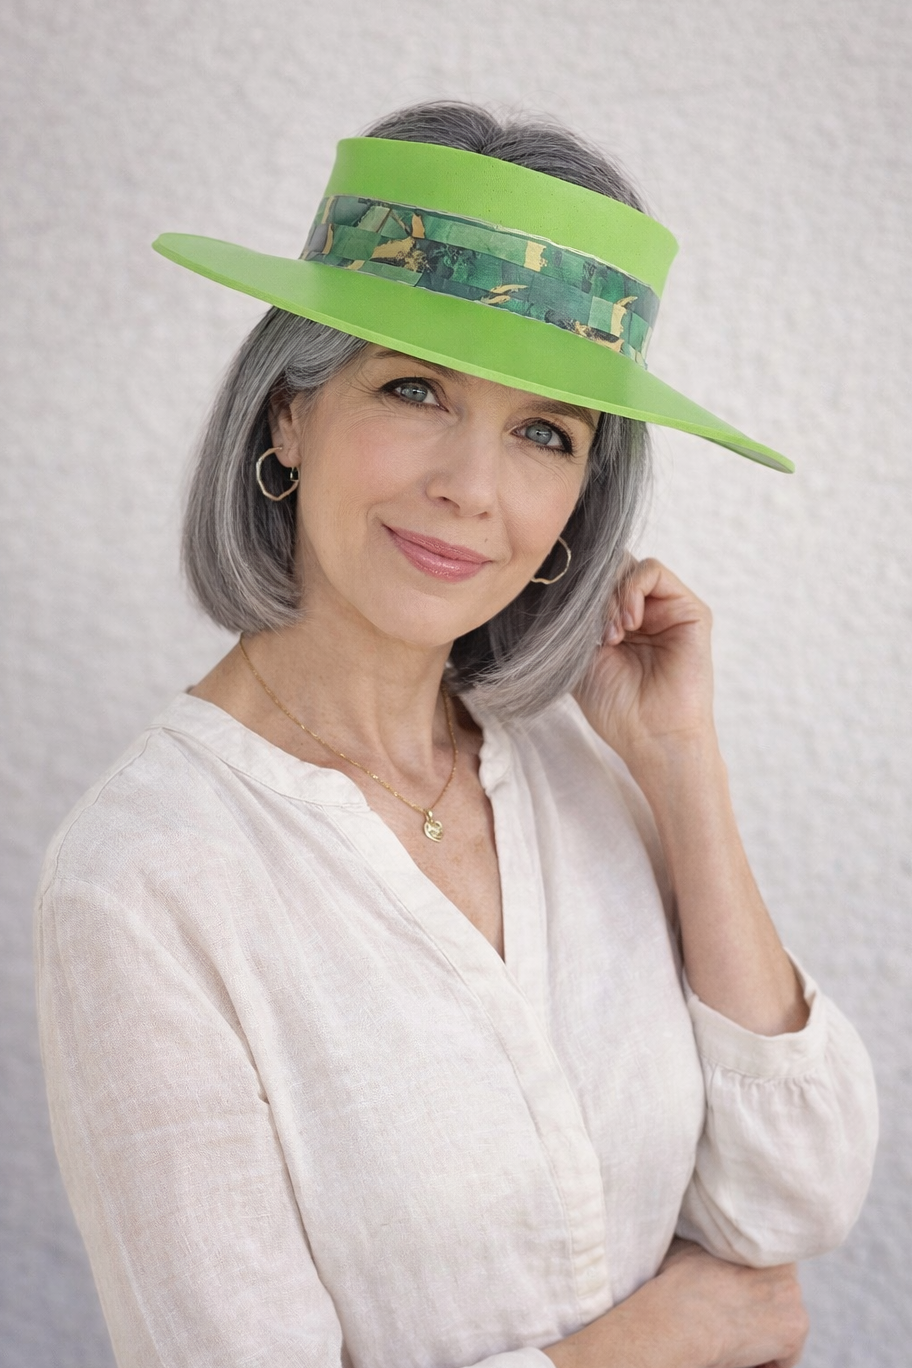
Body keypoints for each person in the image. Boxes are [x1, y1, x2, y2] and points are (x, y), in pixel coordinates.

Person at [35, 101, 877, 1368]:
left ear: (582, 499)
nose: (473, 488)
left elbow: (801, 1190)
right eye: (415, 387)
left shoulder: (579, 771)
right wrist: (669, 1337)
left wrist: (681, 764)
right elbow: (752, 1289)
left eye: (546, 431)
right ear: (290, 413)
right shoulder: (141, 884)